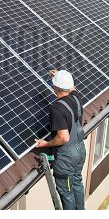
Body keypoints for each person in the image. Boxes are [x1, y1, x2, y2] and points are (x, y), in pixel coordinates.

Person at [36, 69, 86, 210]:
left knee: (66, 192)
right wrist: (60, 76)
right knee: (77, 182)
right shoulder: (77, 97)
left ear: (54, 88)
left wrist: (46, 143)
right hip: (80, 150)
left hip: (66, 159)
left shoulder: (56, 108)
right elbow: (72, 88)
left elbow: (63, 137)